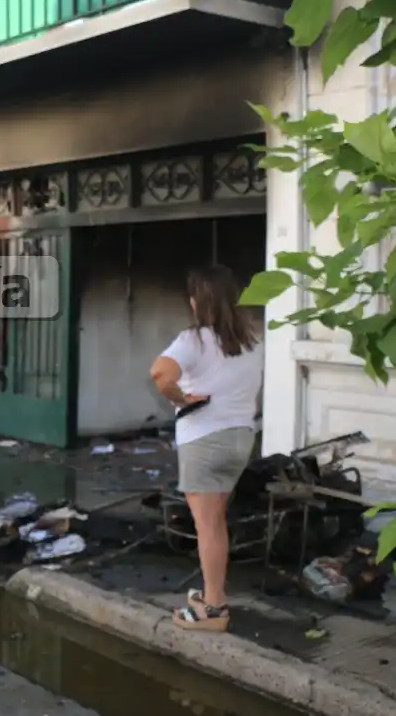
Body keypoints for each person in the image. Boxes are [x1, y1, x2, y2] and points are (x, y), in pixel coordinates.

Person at [150, 265, 263, 633]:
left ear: (198, 303)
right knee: (217, 523)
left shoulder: (193, 340)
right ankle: (212, 593)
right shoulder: (252, 339)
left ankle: (214, 608)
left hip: (205, 439)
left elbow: (159, 374)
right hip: (241, 438)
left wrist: (181, 398)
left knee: (208, 526)